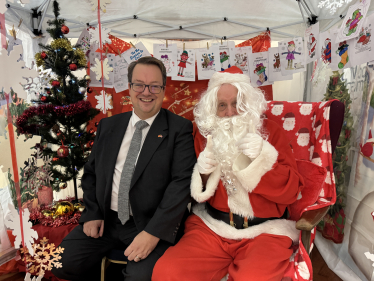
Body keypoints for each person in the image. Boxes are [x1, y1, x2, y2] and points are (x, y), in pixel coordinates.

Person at [152, 66, 304, 281]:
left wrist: (261, 162)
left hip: (265, 232)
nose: (230, 112)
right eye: (222, 105)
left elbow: (291, 192)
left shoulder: (271, 131)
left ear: (248, 104)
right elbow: (190, 185)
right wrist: (202, 173)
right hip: (211, 228)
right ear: (213, 109)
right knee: (167, 272)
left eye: (237, 103)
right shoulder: (203, 136)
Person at [52, 56, 196, 281]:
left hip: (149, 223)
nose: (146, 92)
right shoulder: (109, 126)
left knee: (140, 277)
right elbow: (91, 173)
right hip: (107, 221)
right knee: (60, 263)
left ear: (163, 89)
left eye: (154, 86)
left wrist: (153, 233)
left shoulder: (180, 129)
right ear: (129, 88)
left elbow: (182, 184)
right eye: (139, 84)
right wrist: (92, 213)